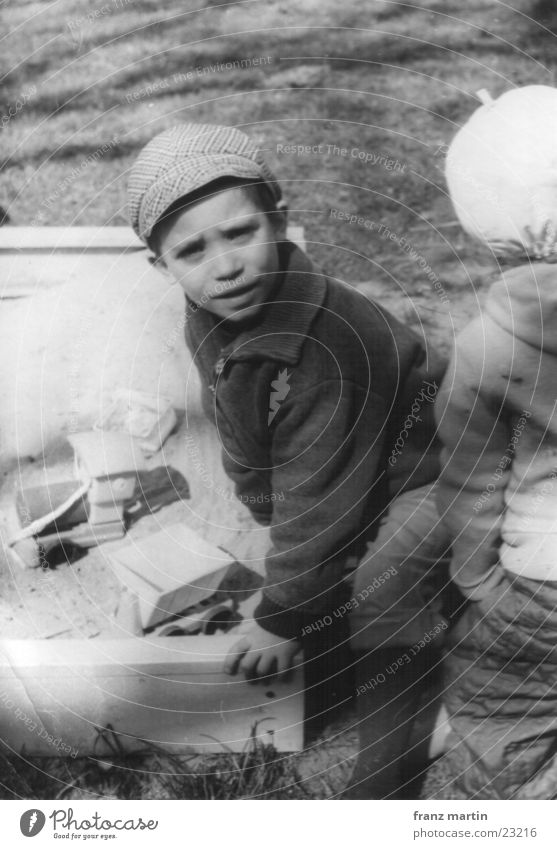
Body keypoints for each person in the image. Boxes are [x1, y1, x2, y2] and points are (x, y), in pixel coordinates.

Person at [128, 122, 449, 798]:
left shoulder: (328, 349)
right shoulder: (214, 312)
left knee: (383, 591)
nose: (224, 264)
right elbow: (244, 426)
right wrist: (264, 514)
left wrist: (281, 612)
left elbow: (323, 499)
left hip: (434, 478)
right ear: (161, 267)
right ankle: (321, 649)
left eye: (240, 233)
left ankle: (391, 767)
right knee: (310, 573)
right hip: (353, 476)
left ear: (279, 220)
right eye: (191, 249)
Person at [435, 84, 557, 799]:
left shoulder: (486, 348)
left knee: (490, 702)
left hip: (544, 578)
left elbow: (472, 475)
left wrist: (478, 576)